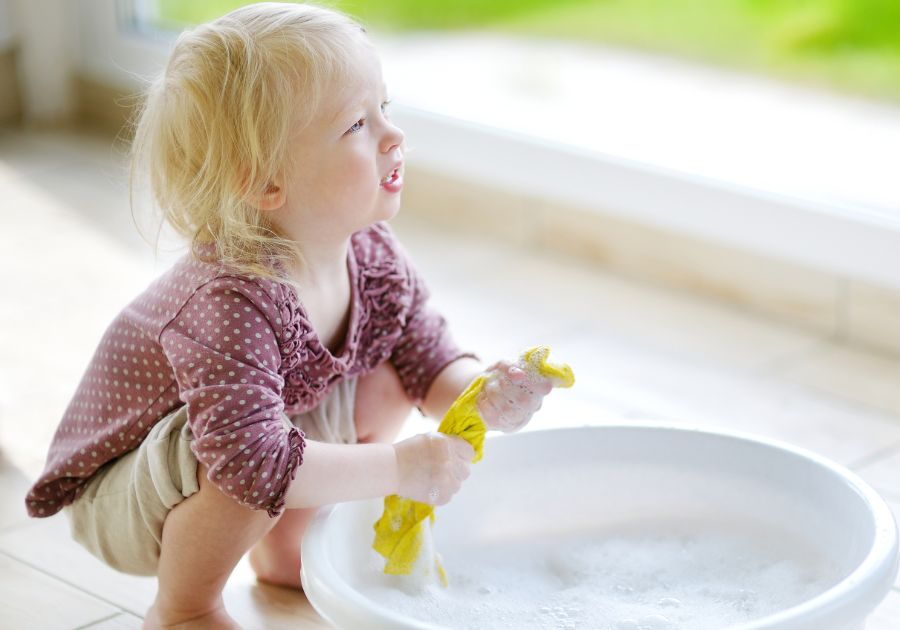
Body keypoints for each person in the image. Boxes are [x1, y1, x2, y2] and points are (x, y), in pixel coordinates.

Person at [23, 3, 555, 627]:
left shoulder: (371, 255)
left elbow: (427, 356)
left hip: (234, 456)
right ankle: (184, 607)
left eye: (385, 107)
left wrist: (482, 395)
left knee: (386, 376)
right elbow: (249, 459)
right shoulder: (230, 301)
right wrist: (400, 468)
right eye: (357, 124)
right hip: (122, 496)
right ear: (265, 183)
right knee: (245, 456)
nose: (393, 136)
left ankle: (286, 552)